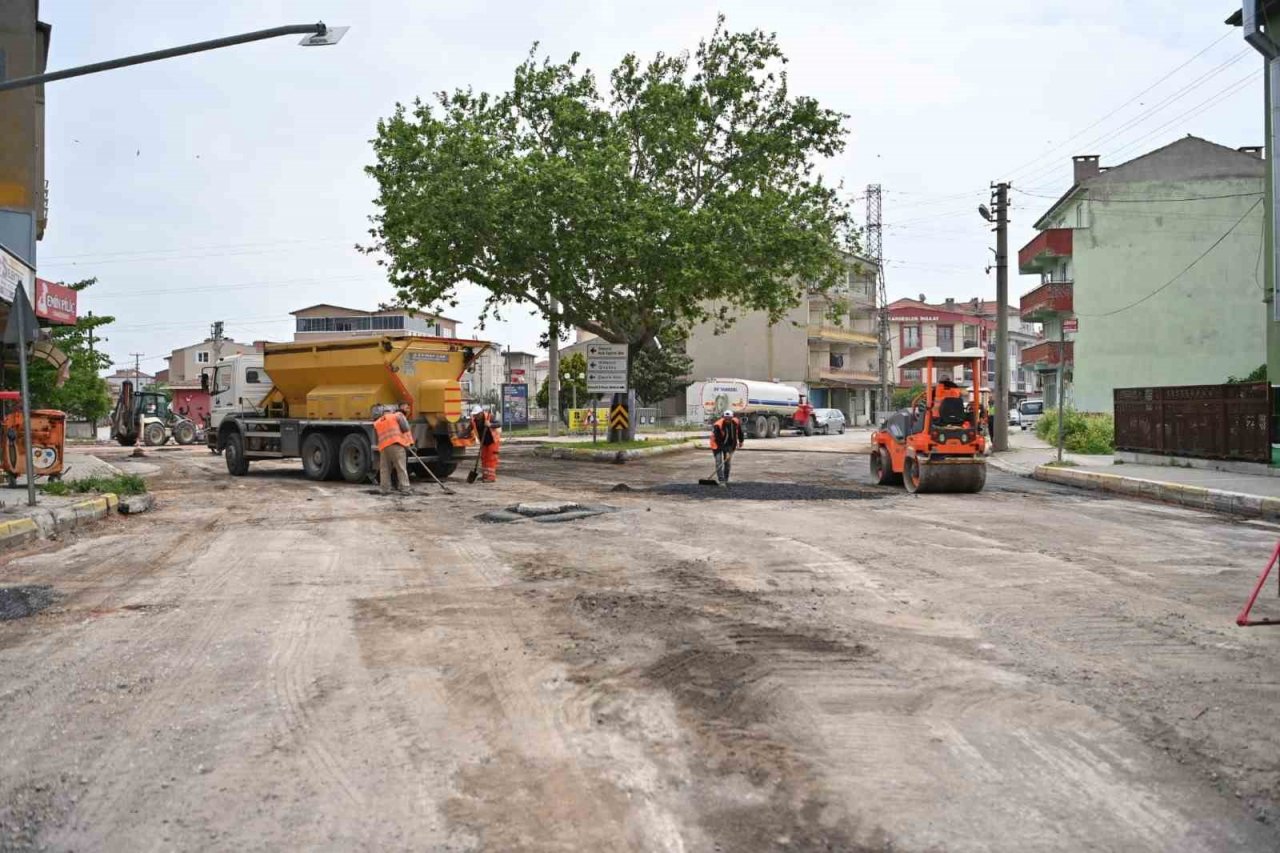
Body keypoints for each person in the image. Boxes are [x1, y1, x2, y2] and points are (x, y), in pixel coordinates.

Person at [374, 403, 413, 495]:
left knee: (384, 469)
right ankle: (405, 489)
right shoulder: (397, 416)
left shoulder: (378, 422)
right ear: (392, 411)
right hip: (396, 445)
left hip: (384, 447)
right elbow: (405, 428)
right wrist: (408, 443)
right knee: (401, 467)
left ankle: (385, 489)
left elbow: (377, 437)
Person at [710, 409, 745, 486]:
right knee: (719, 462)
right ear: (723, 417)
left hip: (729, 444)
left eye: (729, 418)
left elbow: (739, 432)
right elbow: (719, 441)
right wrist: (726, 451)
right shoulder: (718, 425)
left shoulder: (736, 422)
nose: (727, 420)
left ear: (732, 417)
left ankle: (726, 479)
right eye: (726, 418)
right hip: (716, 444)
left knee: (727, 462)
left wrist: (741, 441)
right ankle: (721, 480)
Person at [471, 405, 501, 483]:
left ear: (481, 413)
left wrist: (490, 425)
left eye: (477, 414)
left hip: (492, 441)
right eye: (474, 415)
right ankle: (485, 476)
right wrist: (460, 435)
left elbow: (499, 424)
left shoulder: (489, 417)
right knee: (484, 458)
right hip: (483, 442)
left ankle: (491, 478)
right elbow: (468, 429)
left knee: (491, 459)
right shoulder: (474, 420)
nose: (475, 416)